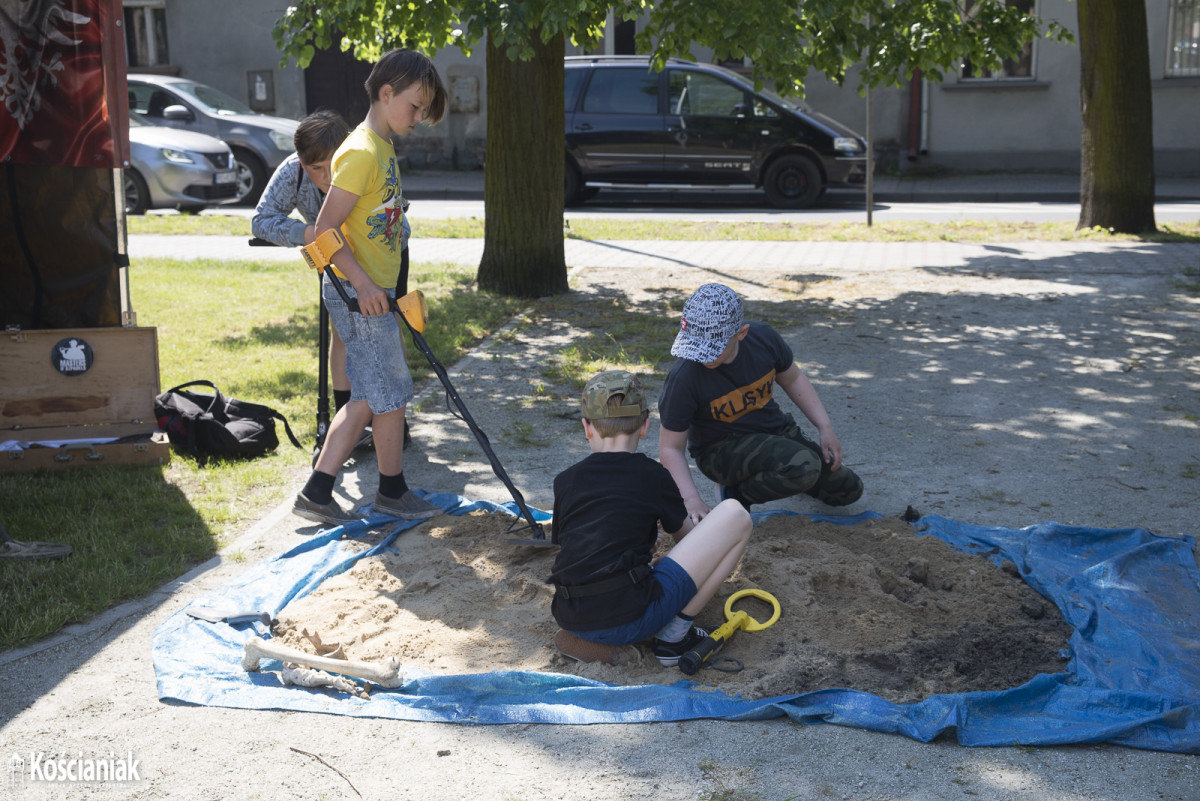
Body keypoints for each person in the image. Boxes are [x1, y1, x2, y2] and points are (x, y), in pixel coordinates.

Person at [292, 49, 447, 526]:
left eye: (423, 111)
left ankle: (337, 491)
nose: (418, 118)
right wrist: (361, 284)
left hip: (372, 292)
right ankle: (380, 493)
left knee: (373, 394)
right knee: (385, 393)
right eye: (415, 106)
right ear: (386, 93)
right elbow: (323, 230)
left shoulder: (382, 148)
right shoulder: (361, 151)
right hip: (357, 294)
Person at [548, 370, 752, 666]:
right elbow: (688, 541)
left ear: (586, 427)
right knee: (736, 514)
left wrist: (641, 552)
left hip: (570, 613)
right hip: (630, 616)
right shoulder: (652, 475)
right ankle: (674, 639)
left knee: (622, 582)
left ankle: (591, 641)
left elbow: (580, 548)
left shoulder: (564, 481)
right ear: (644, 427)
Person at [251, 110, 413, 450]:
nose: (325, 177)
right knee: (343, 334)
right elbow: (261, 220)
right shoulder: (292, 172)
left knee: (386, 327)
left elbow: (396, 215)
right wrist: (307, 233)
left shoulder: (365, 158)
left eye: (331, 165)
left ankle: (396, 417)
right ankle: (345, 420)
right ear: (301, 161)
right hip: (335, 256)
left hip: (383, 254)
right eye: (316, 169)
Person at [658, 283, 864, 519]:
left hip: (773, 430)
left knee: (848, 489)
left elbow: (793, 379)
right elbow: (670, 447)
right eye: (696, 345)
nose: (703, 355)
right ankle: (735, 493)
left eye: (713, 347)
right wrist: (690, 499)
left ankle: (790, 475)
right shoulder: (684, 377)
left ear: (741, 333)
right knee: (804, 465)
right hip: (720, 449)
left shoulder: (763, 339)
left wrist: (824, 427)